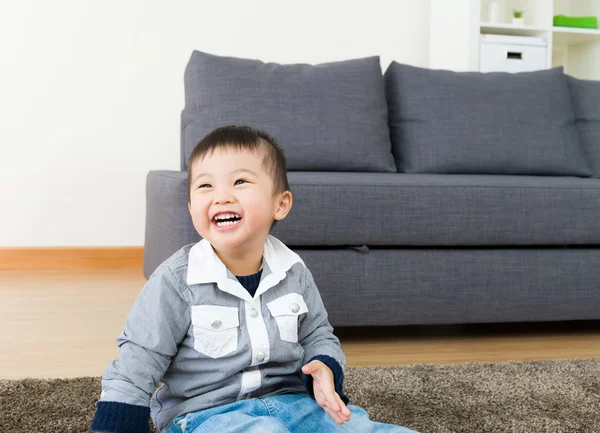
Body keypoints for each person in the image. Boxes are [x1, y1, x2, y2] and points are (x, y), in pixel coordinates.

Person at [90, 125, 418, 433]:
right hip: (207, 415)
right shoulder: (176, 280)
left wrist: (323, 365)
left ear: (281, 204)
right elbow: (139, 358)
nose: (221, 196)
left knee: (359, 426)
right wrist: (119, 421)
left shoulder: (294, 272)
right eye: (205, 185)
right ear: (191, 207)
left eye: (240, 182)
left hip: (296, 404)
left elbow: (318, 333)